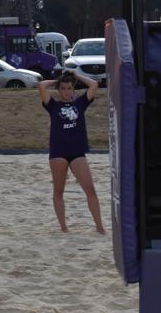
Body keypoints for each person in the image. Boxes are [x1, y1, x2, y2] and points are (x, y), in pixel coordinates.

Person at [38, 70, 105, 234]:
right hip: (58, 152)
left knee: (90, 188)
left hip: (77, 152)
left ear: (73, 89)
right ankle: (63, 227)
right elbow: (41, 86)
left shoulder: (80, 103)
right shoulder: (54, 105)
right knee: (59, 191)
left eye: (69, 88)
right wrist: (56, 80)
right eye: (63, 88)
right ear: (59, 90)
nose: (66, 91)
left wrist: (76, 76)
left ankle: (99, 227)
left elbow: (94, 85)